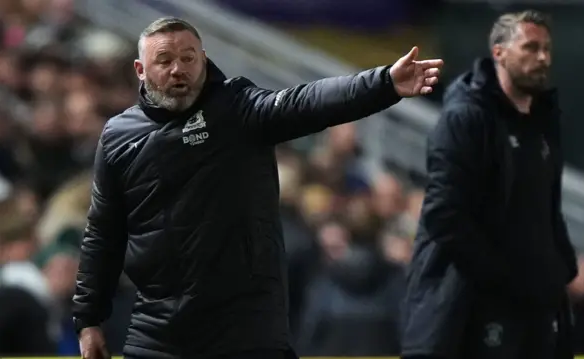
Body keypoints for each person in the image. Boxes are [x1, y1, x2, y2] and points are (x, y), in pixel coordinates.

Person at [73, 17, 443, 359]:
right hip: (157, 330)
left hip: (246, 331)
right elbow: (103, 232)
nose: (178, 69)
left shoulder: (236, 109)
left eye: (188, 57)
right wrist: (88, 319)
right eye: (164, 60)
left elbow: (305, 102)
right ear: (140, 70)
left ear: (203, 59)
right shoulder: (118, 137)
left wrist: (382, 83)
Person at [401, 10, 578, 359]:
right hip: (472, 309)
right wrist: (505, 278)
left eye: (546, 49)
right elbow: (443, 216)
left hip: (535, 308)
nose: (542, 57)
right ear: (499, 52)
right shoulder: (466, 118)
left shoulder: (542, 123)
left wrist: (561, 267)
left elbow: (546, 210)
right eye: (530, 47)